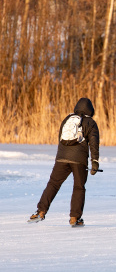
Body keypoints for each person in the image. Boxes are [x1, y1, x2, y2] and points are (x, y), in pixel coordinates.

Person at [29, 97, 100, 227]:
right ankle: (75, 218)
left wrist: (61, 156)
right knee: (79, 187)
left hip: (61, 158)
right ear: (90, 110)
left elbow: (61, 139)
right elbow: (94, 143)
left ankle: (40, 211)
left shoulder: (67, 119)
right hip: (79, 160)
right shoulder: (90, 123)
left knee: (53, 184)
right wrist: (94, 161)